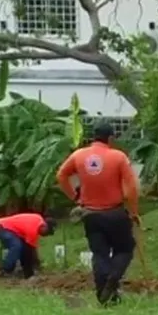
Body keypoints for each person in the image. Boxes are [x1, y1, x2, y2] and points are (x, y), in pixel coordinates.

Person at [56, 121, 140, 305]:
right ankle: (113, 278)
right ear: (110, 138)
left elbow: (61, 175)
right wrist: (134, 212)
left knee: (100, 254)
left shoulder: (78, 155)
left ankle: (104, 295)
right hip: (115, 212)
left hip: (91, 215)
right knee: (124, 250)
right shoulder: (118, 157)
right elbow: (132, 188)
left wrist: (74, 197)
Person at [0, 212, 56, 279]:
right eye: (48, 232)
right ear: (45, 225)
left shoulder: (38, 220)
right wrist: (30, 273)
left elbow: (33, 249)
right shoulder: (32, 229)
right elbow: (29, 251)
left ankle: (21, 270)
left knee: (22, 247)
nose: (46, 235)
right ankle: (6, 270)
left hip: (12, 230)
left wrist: (36, 263)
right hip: (3, 227)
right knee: (17, 246)